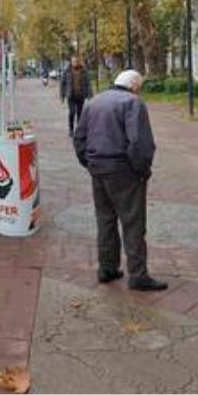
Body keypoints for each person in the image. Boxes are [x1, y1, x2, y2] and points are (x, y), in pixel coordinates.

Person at [73, 69, 167, 291]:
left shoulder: (94, 102)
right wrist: (141, 170)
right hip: (123, 170)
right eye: (140, 88)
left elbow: (79, 138)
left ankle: (106, 268)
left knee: (105, 220)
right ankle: (138, 274)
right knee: (133, 223)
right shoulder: (133, 103)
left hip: (98, 169)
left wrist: (89, 163)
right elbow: (139, 143)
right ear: (135, 86)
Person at [61, 56, 92, 136]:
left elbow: (88, 83)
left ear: (79, 62)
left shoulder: (84, 71)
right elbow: (62, 83)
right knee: (72, 112)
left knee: (80, 113)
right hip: (71, 95)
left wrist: (90, 94)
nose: (75, 63)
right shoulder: (67, 71)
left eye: (76, 61)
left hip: (80, 95)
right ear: (71, 62)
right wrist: (62, 95)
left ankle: (79, 129)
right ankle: (71, 129)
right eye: (73, 61)